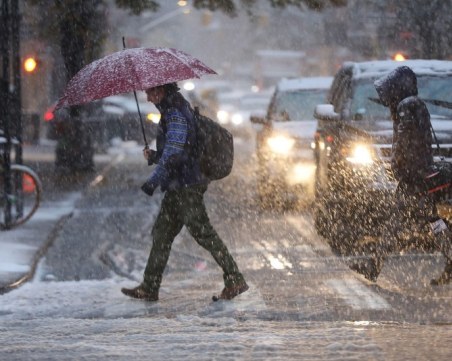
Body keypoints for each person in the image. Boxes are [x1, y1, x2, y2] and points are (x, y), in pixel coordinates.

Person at [121, 83, 249, 301]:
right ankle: (150, 286)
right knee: (162, 234)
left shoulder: (175, 114)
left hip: (187, 186)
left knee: (204, 234)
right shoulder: (173, 110)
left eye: (151, 92)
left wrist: (153, 181)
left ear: (162, 90)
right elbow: (176, 150)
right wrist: (154, 156)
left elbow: (174, 154)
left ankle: (234, 278)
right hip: (178, 185)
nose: (148, 97)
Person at [350, 65, 452, 285]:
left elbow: (408, 144)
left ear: (397, 87)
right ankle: (374, 265)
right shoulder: (412, 105)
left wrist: (403, 170)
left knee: (401, 224)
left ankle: (374, 265)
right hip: (417, 177)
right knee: (429, 221)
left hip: (414, 179)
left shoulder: (407, 107)